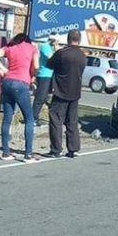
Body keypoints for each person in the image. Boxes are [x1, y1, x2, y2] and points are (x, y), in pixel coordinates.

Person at [0, 33, 40, 162]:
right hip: (21, 83)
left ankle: (5, 152)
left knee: (7, 118)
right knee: (29, 118)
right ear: (27, 41)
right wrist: (33, 76)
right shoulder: (32, 48)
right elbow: (36, 66)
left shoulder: (10, 47)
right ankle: (28, 154)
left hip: (7, 82)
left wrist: (4, 69)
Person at [45, 30, 87, 158]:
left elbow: (49, 64)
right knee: (72, 121)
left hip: (61, 91)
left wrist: (55, 49)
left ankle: (56, 149)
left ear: (68, 39)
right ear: (79, 40)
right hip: (75, 92)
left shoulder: (62, 53)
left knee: (56, 119)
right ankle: (73, 149)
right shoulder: (82, 56)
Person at [32, 37, 57, 127]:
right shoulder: (45, 46)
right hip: (44, 75)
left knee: (45, 98)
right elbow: (51, 58)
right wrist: (57, 51)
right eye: (56, 42)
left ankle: (39, 116)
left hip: (50, 75)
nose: (57, 44)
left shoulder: (50, 48)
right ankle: (33, 118)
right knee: (40, 97)